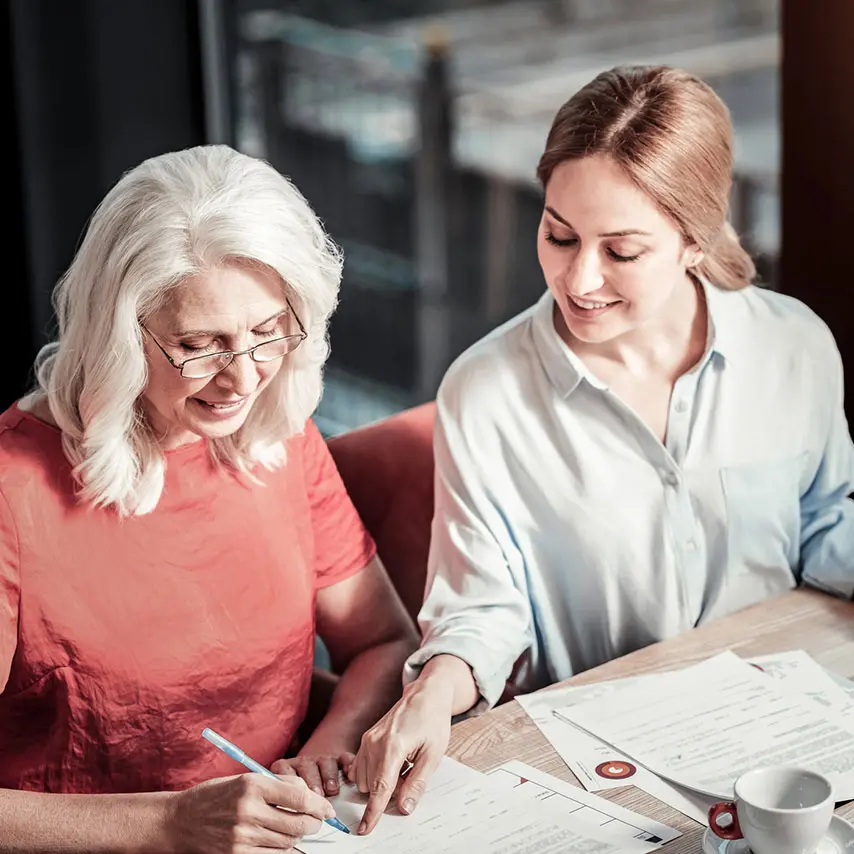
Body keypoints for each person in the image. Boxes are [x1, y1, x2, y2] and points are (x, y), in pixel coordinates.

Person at [348, 65, 854, 832]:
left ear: (696, 240)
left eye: (621, 251)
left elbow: (821, 527)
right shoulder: (485, 393)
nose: (577, 278)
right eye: (558, 234)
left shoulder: (794, 347)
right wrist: (430, 696)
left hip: (781, 735)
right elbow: (483, 611)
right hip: (603, 771)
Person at [0, 145, 418, 853]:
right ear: (119, 336)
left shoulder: (277, 435)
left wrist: (328, 748)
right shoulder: (14, 491)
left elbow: (382, 642)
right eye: (200, 345)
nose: (242, 378)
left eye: (266, 334)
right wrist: (168, 824)